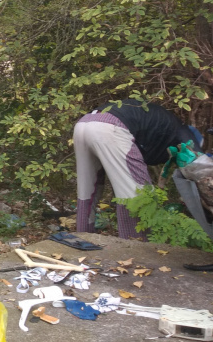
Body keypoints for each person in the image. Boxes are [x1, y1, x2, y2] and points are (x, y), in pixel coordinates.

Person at [74, 99, 202, 240]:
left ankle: (82, 240)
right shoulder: (185, 134)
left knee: (88, 190)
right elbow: (198, 165)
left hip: (84, 124)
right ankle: (135, 249)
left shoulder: (165, 125)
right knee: (137, 194)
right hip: (113, 127)